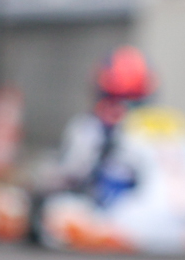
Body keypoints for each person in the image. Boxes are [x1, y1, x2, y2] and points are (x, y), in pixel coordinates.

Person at [55, 45, 157, 206]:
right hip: (103, 213)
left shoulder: (158, 130)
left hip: (145, 214)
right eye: (113, 103)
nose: (119, 112)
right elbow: (67, 176)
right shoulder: (88, 129)